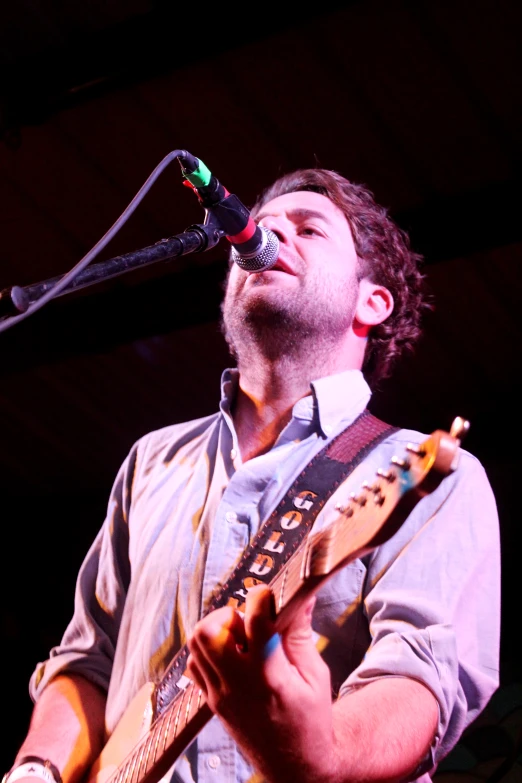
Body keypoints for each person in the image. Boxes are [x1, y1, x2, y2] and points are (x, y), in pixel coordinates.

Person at [3, 168, 500, 783]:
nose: (265, 238)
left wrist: (321, 752)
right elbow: (87, 663)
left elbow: (420, 678)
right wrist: (37, 769)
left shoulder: (427, 473)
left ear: (372, 301)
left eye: (309, 230)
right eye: (261, 228)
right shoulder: (152, 461)